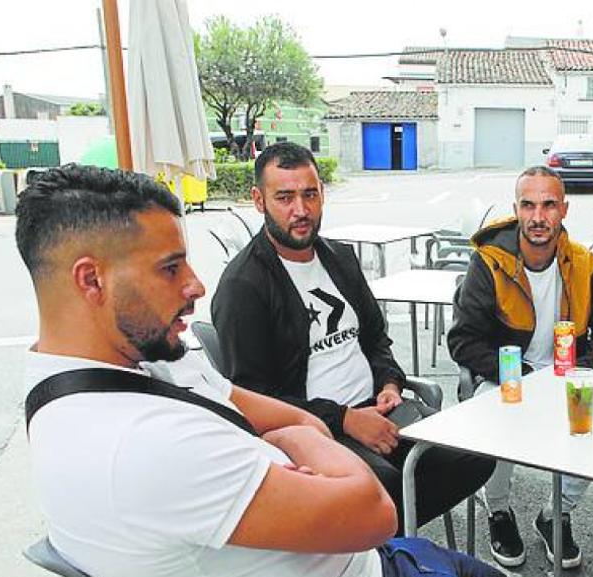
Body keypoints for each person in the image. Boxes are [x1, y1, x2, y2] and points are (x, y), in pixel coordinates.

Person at [17, 164, 593, 577]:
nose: (195, 286)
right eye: (170, 267)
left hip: (347, 570)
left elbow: (282, 411)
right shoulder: (133, 442)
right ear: (90, 280)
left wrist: (321, 427)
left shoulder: (144, 364)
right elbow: (372, 510)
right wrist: (321, 437)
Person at [211, 142, 494, 533]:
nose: (301, 210)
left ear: (322, 194)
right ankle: (386, 546)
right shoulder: (244, 286)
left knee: (478, 454)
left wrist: (389, 382)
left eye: (310, 195)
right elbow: (252, 396)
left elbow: (376, 338)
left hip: (382, 410)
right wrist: (344, 419)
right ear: (259, 201)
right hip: (321, 432)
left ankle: (385, 538)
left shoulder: (339, 258)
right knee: (387, 489)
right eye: (285, 197)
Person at [447, 166, 593, 570]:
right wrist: (519, 373)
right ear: (516, 209)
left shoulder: (584, 264)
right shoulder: (489, 263)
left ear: (564, 209)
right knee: (493, 419)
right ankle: (498, 511)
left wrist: (584, 367)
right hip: (508, 376)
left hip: (567, 378)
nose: (538, 216)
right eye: (528, 205)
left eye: (549, 205)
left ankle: (554, 516)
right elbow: (462, 340)